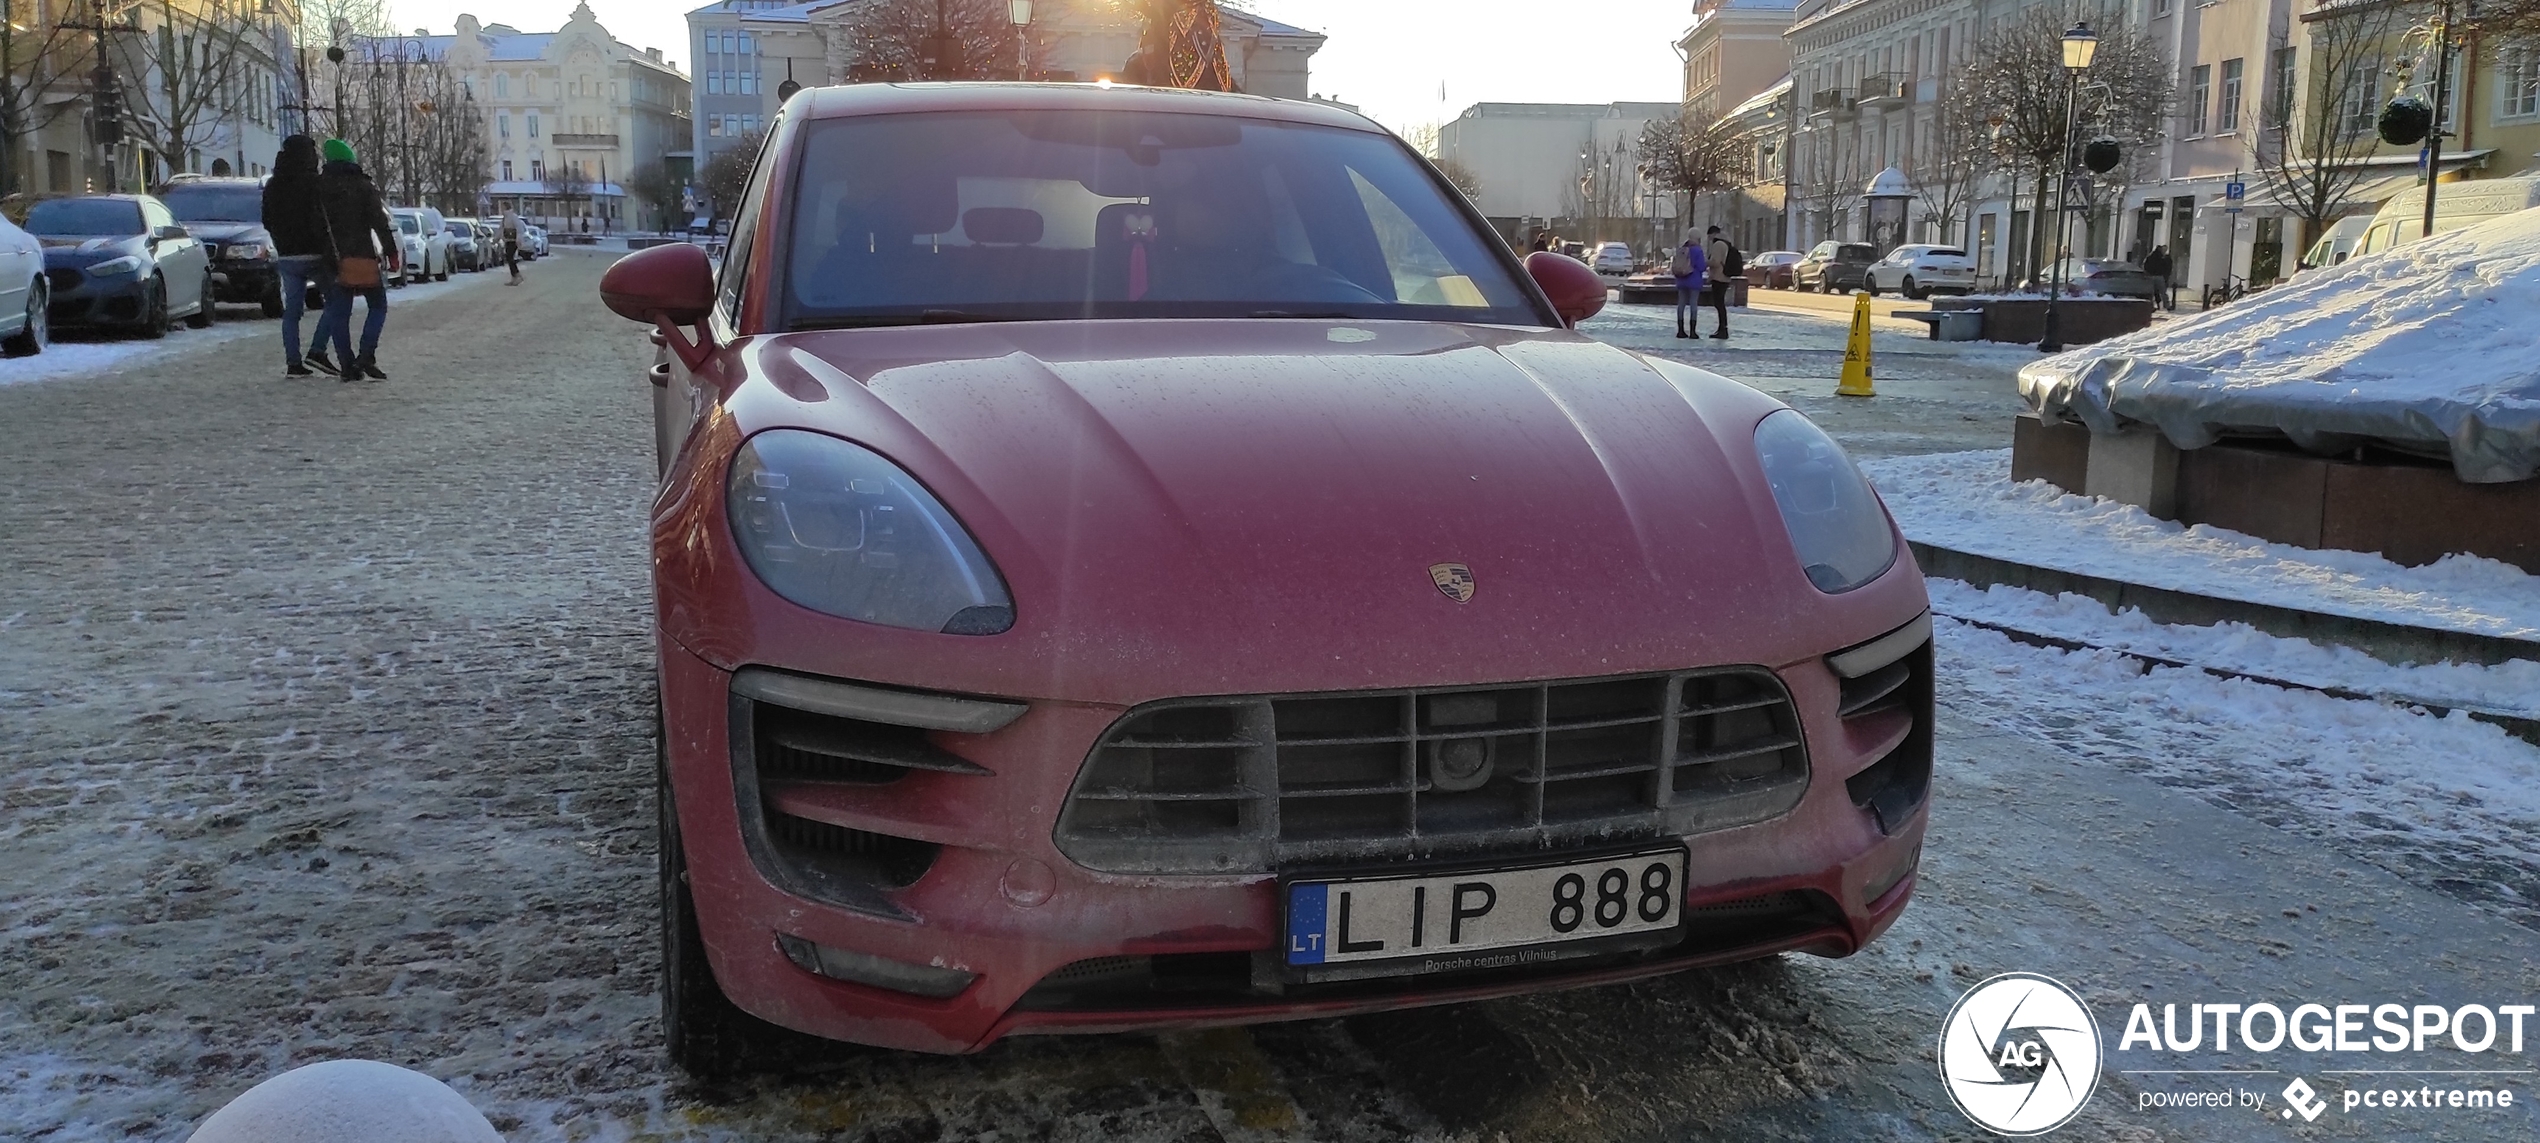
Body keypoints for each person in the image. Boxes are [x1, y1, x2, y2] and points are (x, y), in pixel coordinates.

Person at [313, 138, 399, 381]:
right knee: (378, 306)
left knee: (339, 312)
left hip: (333, 258)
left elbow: (313, 224)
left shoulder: (318, 188)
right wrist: (391, 253)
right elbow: (379, 223)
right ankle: (366, 354)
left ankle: (347, 365)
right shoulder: (363, 186)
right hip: (362, 256)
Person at [259, 135, 332, 378]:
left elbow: (266, 220)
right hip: (315, 253)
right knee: (335, 302)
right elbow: (323, 218)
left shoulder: (273, 185)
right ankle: (318, 349)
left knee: (292, 311)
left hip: (288, 256)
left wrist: (282, 239)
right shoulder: (315, 183)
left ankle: (293, 361)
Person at [1669, 228, 1706, 339]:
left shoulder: (1682, 249)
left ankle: (1680, 330)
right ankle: (1692, 331)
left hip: (1681, 279)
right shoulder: (1698, 251)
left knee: (1681, 304)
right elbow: (1701, 267)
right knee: (1693, 305)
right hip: (1694, 281)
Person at [1704, 225, 1735, 339]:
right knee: (1720, 303)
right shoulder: (1726, 242)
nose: (1709, 238)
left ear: (1713, 234)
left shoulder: (1718, 244)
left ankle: (1723, 329)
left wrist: (1706, 262)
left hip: (1719, 277)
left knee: (1719, 304)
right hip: (1725, 277)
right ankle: (1722, 329)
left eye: (1709, 236)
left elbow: (1715, 262)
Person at [2142, 245, 2175, 311]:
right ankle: (2167, 305)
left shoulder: (2150, 257)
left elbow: (2145, 265)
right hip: (2159, 276)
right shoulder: (2162, 258)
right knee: (2163, 292)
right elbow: (2165, 267)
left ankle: (2150, 306)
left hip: (2151, 276)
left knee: (2151, 293)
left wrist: (2148, 272)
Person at [500, 209, 525, 284]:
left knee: (510, 257)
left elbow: (519, 228)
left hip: (514, 240)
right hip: (508, 240)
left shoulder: (513, 217)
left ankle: (517, 275)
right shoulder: (504, 218)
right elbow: (501, 229)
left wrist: (518, 239)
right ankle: (514, 277)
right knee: (508, 258)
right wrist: (496, 239)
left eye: (502, 207)